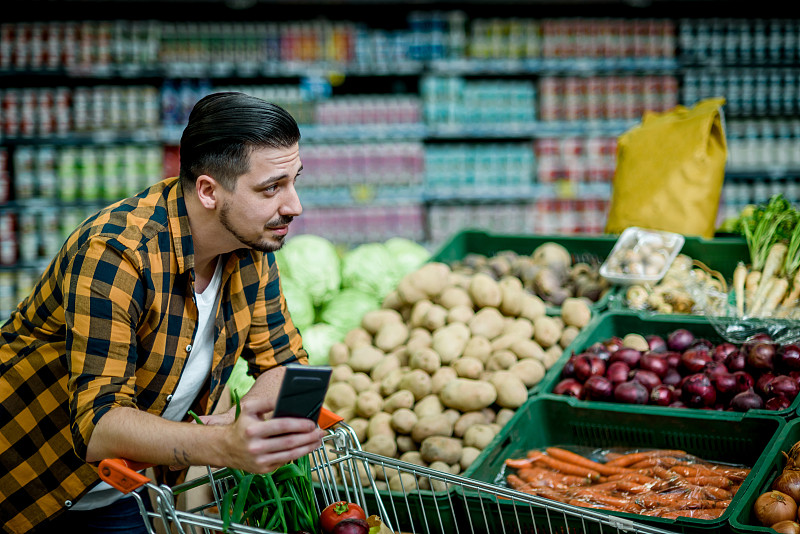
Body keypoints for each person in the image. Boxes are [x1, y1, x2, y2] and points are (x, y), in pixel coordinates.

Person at [0, 92, 326, 534]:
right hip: (23, 481)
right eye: (271, 188)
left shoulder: (250, 244)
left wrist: (241, 418)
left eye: (294, 181)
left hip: (114, 490)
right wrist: (220, 445)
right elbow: (99, 426)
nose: (294, 205)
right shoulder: (117, 254)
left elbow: (287, 365)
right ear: (209, 191)